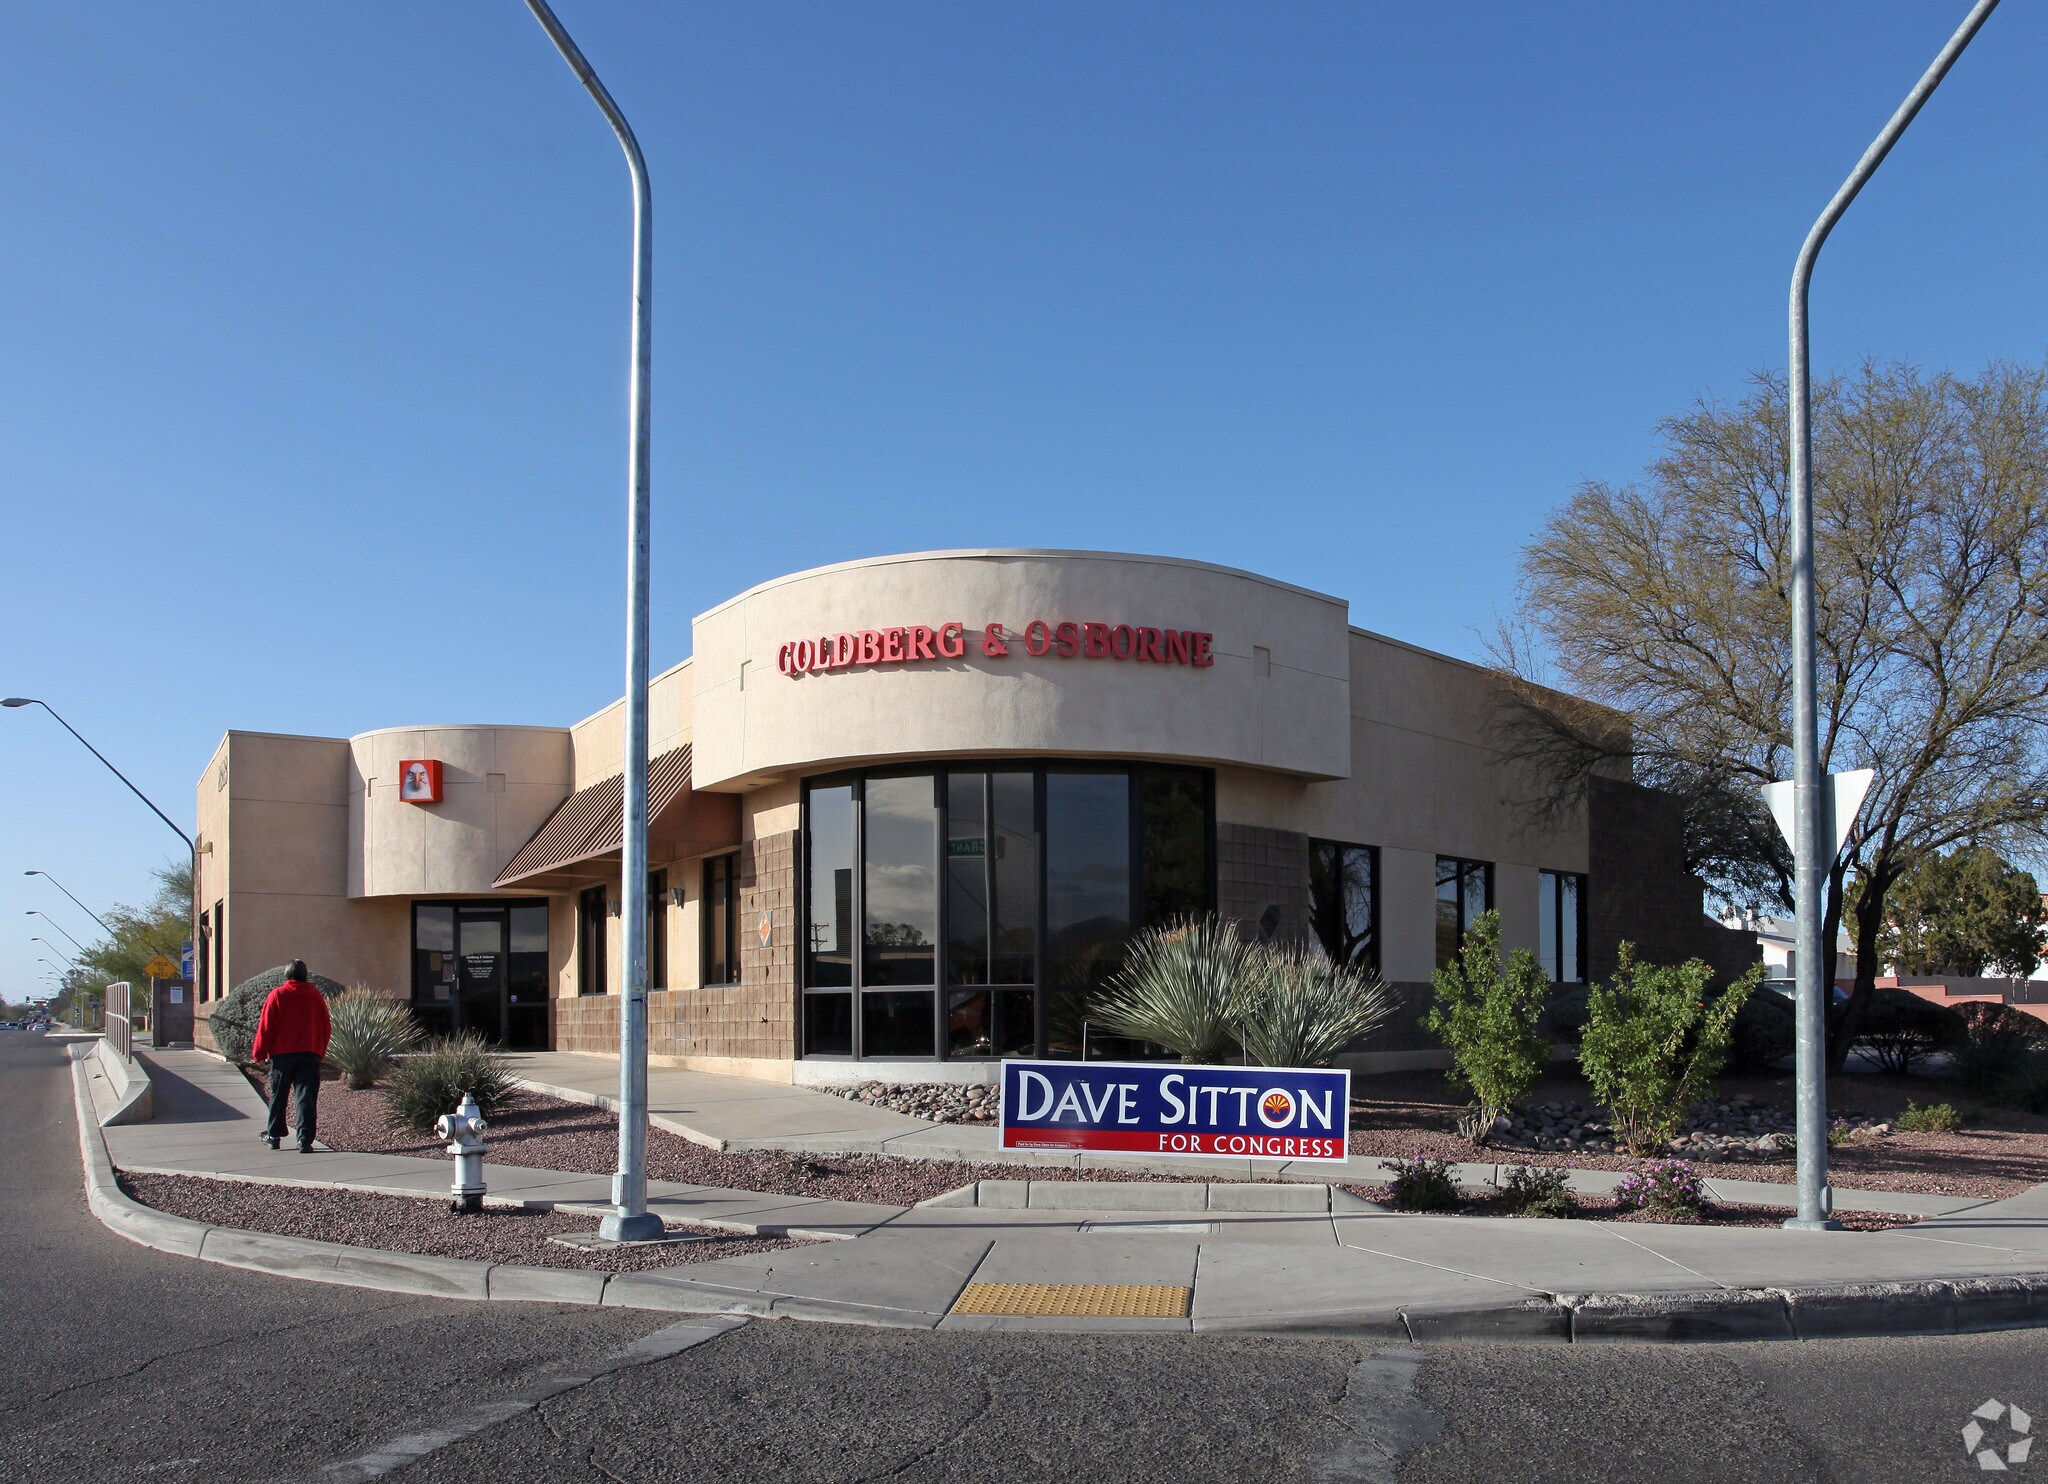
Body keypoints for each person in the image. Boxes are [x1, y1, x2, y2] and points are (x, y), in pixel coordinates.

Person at [252, 960, 331, 1153]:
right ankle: (304, 1140)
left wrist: (259, 1053)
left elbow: (266, 1027)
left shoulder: (277, 995)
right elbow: (325, 1027)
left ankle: (274, 1135)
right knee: (306, 1096)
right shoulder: (315, 997)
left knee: (279, 1095)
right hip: (309, 1054)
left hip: (282, 1055)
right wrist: (320, 1050)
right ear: (305, 975)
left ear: (287, 974)